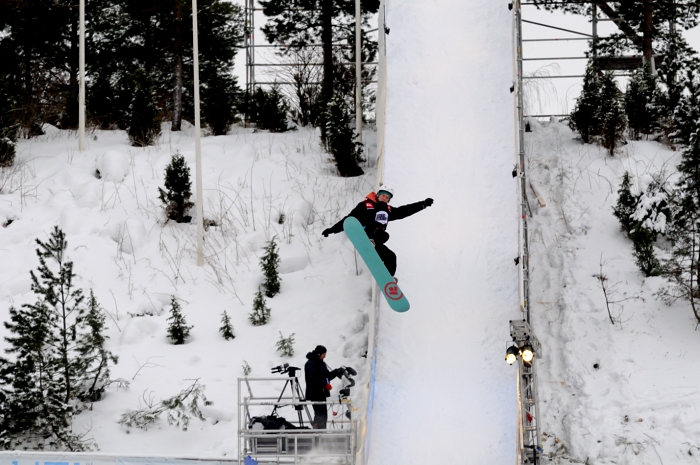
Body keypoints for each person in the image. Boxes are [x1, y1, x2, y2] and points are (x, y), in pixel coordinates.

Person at [321, 185, 434, 277]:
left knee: (391, 256)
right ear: (378, 195)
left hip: (377, 241)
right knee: (381, 234)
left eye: (387, 198)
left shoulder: (388, 210)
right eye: (383, 195)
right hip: (365, 234)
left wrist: (422, 204)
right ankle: (370, 241)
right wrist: (332, 230)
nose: (385, 198)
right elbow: (349, 219)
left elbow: (404, 211)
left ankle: (388, 280)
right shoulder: (365, 205)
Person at [304, 345, 341, 429]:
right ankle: (318, 433)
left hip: (322, 393)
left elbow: (327, 376)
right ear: (318, 354)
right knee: (319, 414)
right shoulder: (310, 364)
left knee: (323, 414)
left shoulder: (321, 363)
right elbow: (313, 379)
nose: (325, 356)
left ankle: (322, 432)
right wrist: (325, 384)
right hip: (315, 393)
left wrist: (336, 371)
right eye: (323, 354)